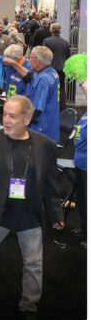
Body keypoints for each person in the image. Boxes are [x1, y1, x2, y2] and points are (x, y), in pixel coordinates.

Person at [0, 96, 64, 320]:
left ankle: (29, 305)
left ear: (27, 119)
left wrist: (56, 214)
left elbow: (52, 185)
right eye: (4, 115)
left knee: (34, 264)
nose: (6, 120)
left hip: (29, 215)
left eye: (13, 116)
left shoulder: (45, 146)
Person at [4, 46, 60, 142]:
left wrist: (22, 123)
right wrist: (14, 63)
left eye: (31, 58)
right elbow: (29, 77)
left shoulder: (44, 78)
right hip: (51, 123)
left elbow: (38, 109)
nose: (29, 61)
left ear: (38, 60)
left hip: (42, 127)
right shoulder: (52, 72)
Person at [43, 23, 71, 111]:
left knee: (48, 88)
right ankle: (62, 109)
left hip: (49, 69)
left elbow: (44, 56)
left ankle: (49, 107)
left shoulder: (47, 41)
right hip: (61, 69)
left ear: (51, 30)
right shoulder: (65, 42)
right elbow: (68, 57)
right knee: (61, 88)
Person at [73, 80, 87, 249]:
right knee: (82, 200)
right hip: (79, 161)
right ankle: (84, 229)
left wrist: (82, 79)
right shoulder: (86, 113)